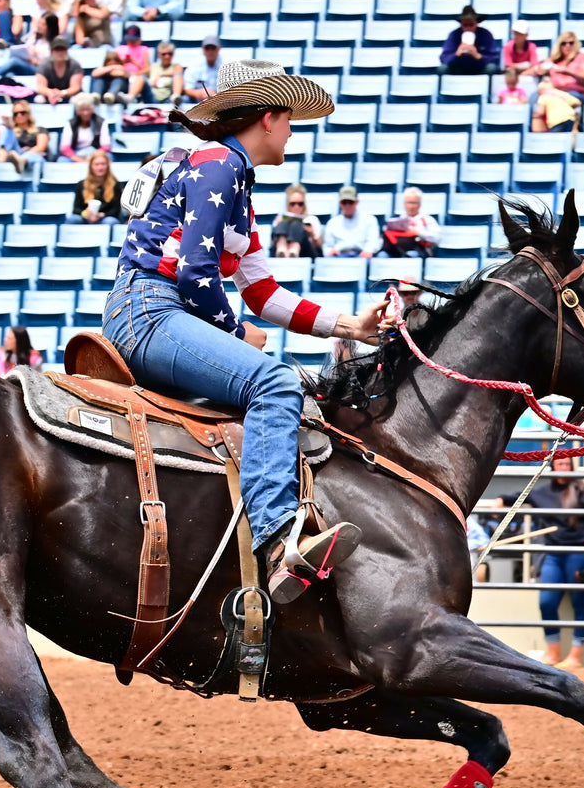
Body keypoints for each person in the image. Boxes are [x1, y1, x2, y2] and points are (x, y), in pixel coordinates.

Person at [105, 59, 384, 602]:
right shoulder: (221, 166)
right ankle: (278, 542)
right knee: (275, 384)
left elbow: (263, 293)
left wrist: (350, 325)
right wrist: (235, 334)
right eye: (290, 120)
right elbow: (195, 272)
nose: (292, 132)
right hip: (152, 310)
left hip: (148, 309)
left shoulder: (229, 179)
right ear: (269, 117)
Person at [494, 455, 584, 669]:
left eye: (567, 464)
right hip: (553, 554)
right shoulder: (542, 492)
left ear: (571, 466)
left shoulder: (583, 490)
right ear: (553, 467)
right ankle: (553, 654)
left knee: (581, 602)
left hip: (580, 551)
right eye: (560, 463)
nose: (563, 467)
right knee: (547, 602)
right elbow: (520, 497)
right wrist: (501, 499)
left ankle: (575, 657)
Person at [0, 12, 57, 80]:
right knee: (10, 74)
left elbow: (54, 64)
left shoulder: (54, 42)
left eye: (43, 24)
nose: (39, 26)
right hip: (27, 64)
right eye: (39, 23)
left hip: (40, 69)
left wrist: (37, 62)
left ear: (50, 26)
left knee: (14, 61)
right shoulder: (34, 37)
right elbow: (25, 43)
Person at [437, 5, 499, 76]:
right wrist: (456, 54)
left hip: (479, 69)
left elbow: (494, 58)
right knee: (442, 69)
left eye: (471, 25)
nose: (468, 28)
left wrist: (478, 55)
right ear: (461, 24)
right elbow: (444, 58)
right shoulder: (454, 35)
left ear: (476, 23)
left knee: (492, 68)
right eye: (465, 25)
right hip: (458, 69)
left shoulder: (485, 34)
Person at [381, 186, 441, 259]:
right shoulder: (397, 220)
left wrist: (418, 233)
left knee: (410, 255)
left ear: (419, 204)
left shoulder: (427, 220)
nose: (411, 206)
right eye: (408, 203)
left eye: (414, 203)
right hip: (397, 249)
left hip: (418, 251)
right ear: (404, 204)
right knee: (382, 255)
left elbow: (437, 238)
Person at [66, 149, 120, 224]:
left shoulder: (115, 185)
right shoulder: (81, 184)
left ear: (108, 165)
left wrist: (101, 215)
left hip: (104, 218)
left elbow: (116, 210)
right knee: (73, 219)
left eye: (103, 164)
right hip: (85, 218)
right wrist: (85, 214)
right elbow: (76, 209)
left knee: (110, 221)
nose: (100, 167)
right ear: (91, 166)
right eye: (97, 164)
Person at [324, 186, 380, 258]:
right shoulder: (332, 223)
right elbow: (328, 246)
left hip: (362, 256)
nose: (347, 206)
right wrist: (330, 251)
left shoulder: (369, 220)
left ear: (357, 202)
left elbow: (373, 241)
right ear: (340, 203)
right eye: (344, 202)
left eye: (351, 202)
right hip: (339, 256)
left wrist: (368, 250)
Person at [270, 183, 322, 258]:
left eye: (300, 204)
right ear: (288, 204)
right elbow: (272, 243)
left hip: (305, 252)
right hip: (281, 251)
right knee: (283, 223)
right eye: (293, 204)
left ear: (304, 204)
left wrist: (312, 234)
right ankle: (282, 249)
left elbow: (319, 246)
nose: (296, 207)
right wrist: (277, 225)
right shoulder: (280, 219)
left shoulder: (312, 219)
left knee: (297, 224)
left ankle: (294, 249)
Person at [535, 31, 584, 99]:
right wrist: (542, 68)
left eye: (571, 43)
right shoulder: (554, 60)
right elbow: (538, 70)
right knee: (534, 96)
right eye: (563, 43)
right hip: (556, 92)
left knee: (553, 98)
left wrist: (569, 72)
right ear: (560, 45)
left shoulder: (582, 58)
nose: (567, 46)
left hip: (576, 93)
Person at [0, 99, 48, 172]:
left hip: (34, 157)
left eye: (22, 113)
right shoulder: (12, 132)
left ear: (28, 113)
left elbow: (41, 147)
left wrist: (24, 155)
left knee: (34, 157)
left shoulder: (40, 130)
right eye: (16, 114)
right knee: (7, 130)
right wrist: (8, 124)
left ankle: (21, 161)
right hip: (17, 154)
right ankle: (0, 161)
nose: (19, 115)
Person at [57, 96, 110, 160]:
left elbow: (106, 146)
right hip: (75, 153)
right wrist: (79, 160)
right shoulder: (70, 124)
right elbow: (65, 148)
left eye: (88, 109)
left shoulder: (101, 122)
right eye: (82, 110)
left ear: (92, 110)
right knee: (62, 160)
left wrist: (92, 158)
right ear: (77, 111)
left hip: (96, 152)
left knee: (108, 157)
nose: (85, 113)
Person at [36, 36, 85, 105]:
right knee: (39, 99)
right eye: (57, 50)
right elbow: (41, 87)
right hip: (50, 95)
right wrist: (51, 93)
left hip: (69, 95)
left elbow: (76, 87)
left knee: (76, 100)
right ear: (52, 52)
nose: (60, 53)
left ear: (66, 51)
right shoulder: (44, 65)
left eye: (62, 50)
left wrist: (62, 93)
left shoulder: (74, 65)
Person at [182, 35, 220, 104]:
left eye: (213, 48)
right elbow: (187, 89)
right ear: (203, 49)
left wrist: (215, 94)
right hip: (197, 100)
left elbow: (231, 89)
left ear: (219, 49)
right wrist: (198, 93)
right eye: (207, 48)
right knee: (184, 99)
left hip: (219, 100)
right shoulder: (194, 65)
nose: (210, 51)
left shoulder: (226, 65)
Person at [145, 41, 183, 107]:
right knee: (140, 78)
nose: (167, 56)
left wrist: (161, 75)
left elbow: (178, 72)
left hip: (168, 99)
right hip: (152, 98)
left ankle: (176, 97)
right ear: (158, 55)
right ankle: (130, 98)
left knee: (178, 76)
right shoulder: (153, 66)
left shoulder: (176, 66)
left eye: (170, 54)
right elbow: (137, 74)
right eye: (164, 54)